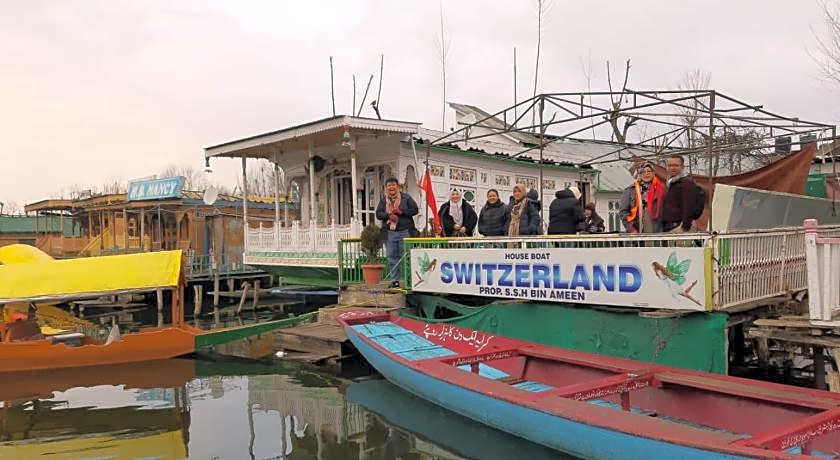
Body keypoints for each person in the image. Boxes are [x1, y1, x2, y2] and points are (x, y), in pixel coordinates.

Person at [375, 177, 419, 286]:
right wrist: (388, 214)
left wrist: (401, 211)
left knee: (406, 257)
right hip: (390, 233)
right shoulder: (383, 200)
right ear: (386, 188)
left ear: (398, 186)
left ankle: (410, 281)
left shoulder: (406, 198)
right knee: (392, 257)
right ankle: (395, 281)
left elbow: (415, 210)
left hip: (405, 232)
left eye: (393, 185)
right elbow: (378, 214)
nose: (391, 187)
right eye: (389, 185)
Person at [619, 162, 665, 233]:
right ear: (639, 174)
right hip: (638, 229)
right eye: (643, 171)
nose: (646, 173)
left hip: (659, 228)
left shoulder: (661, 188)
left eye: (649, 171)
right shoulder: (630, 190)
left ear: (653, 173)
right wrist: (631, 228)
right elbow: (623, 212)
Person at [661, 154, 698, 233]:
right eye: (670, 165)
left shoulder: (686, 182)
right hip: (669, 227)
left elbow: (689, 206)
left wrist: (684, 227)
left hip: (679, 227)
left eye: (676, 165)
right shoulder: (670, 183)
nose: (672, 168)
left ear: (682, 167)